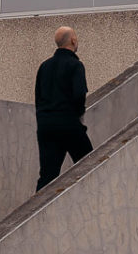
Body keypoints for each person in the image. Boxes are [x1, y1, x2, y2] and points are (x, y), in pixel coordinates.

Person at [33, 25, 92, 189]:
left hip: (46, 126)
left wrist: (43, 120)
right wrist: (78, 118)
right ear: (73, 40)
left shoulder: (44, 66)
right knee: (90, 166)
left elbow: (38, 98)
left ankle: (37, 213)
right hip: (69, 125)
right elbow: (79, 95)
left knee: (47, 176)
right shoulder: (75, 65)